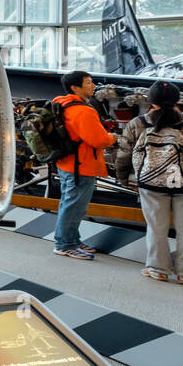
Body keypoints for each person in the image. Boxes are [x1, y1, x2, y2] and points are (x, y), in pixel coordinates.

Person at [114, 80, 183, 284]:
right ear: (178, 99)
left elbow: (124, 156)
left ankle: (158, 269)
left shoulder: (137, 124)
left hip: (151, 185)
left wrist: (123, 179)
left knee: (156, 227)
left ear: (151, 101)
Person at [52, 70, 117, 260]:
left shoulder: (61, 104)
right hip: (81, 166)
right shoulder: (83, 111)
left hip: (66, 162)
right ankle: (64, 244)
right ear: (75, 87)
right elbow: (99, 140)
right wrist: (113, 137)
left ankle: (71, 240)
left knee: (69, 203)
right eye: (89, 83)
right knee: (74, 206)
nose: (94, 85)